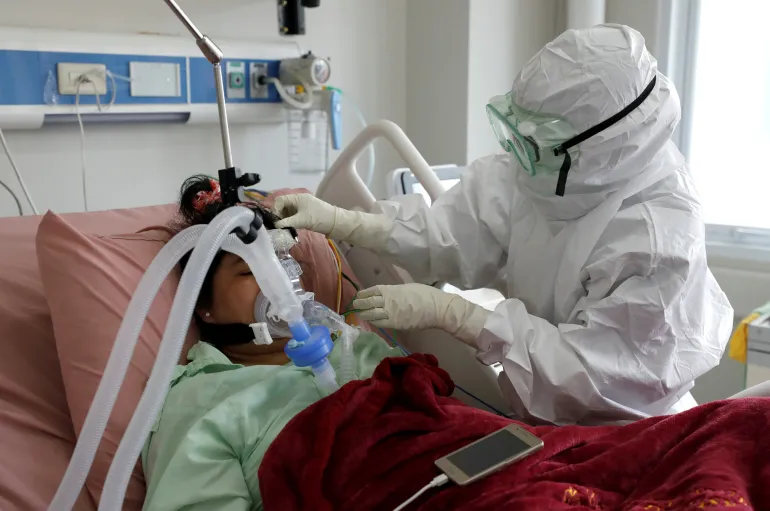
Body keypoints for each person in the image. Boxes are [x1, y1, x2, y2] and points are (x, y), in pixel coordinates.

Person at [274, 24, 734, 425]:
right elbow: (451, 230)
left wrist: (457, 315)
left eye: (538, 143)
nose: (518, 154)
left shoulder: (653, 236)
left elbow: (592, 375)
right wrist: (346, 222)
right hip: (554, 400)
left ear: (595, 146)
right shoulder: (547, 167)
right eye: (518, 132)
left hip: (630, 415)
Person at [141, 176, 398, 510]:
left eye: (286, 262)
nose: (281, 284)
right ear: (204, 306)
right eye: (249, 271)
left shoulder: (355, 346)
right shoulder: (200, 400)